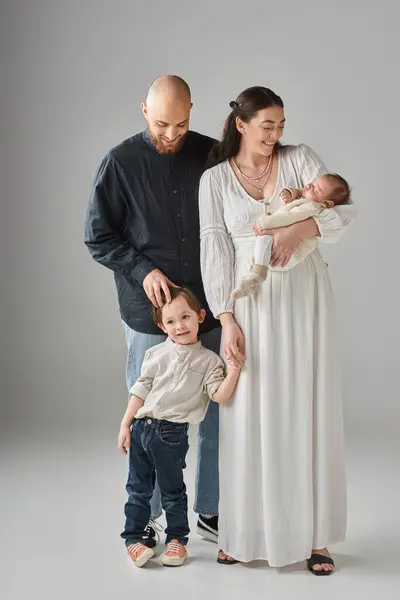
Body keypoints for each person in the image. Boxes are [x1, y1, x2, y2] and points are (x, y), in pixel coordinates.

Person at [199, 86, 356, 575]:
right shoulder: (214, 180)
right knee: (248, 414)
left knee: (306, 407)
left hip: (303, 298)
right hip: (249, 306)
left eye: (281, 124)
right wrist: (225, 319)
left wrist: (299, 231)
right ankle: (243, 533)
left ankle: (315, 538)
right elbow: (216, 251)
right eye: (267, 125)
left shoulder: (300, 158)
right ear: (241, 124)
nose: (276, 134)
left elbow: (343, 211)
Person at [84, 75, 221, 548]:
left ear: (192, 112)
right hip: (149, 314)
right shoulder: (119, 163)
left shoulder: (211, 153)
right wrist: (142, 269)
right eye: (162, 124)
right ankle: (150, 516)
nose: (171, 135)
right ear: (144, 110)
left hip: (209, 309)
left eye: (181, 124)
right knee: (151, 421)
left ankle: (209, 509)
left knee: (214, 413)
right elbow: (98, 237)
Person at [117, 287, 242, 568]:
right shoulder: (155, 353)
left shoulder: (210, 360)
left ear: (200, 316)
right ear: (162, 326)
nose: (179, 326)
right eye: (171, 321)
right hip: (141, 429)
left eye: (185, 317)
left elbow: (219, 395)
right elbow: (140, 390)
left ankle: (177, 540)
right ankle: (133, 540)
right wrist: (126, 424)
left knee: (174, 491)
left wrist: (233, 370)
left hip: (171, 434)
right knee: (137, 490)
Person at [232, 173, 351, 298]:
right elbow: (300, 193)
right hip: (280, 253)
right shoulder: (308, 200)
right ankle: (253, 284)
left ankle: (258, 274)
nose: (309, 185)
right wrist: (290, 192)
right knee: (258, 247)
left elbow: (289, 217)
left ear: (327, 204)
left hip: (286, 255)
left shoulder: (312, 206)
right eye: (313, 182)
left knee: (263, 239)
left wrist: (264, 223)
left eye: (316, 188)